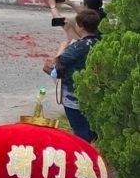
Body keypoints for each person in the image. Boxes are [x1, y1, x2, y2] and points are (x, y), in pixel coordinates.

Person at [43, 9, 101, 142]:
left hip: (73, 98)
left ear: (80, 26)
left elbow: (58, 66)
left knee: (80, 133)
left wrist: (62, 48)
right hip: (92, 96)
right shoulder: (98, 43)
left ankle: (84, 156)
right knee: (89, 130)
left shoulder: (77, 48)